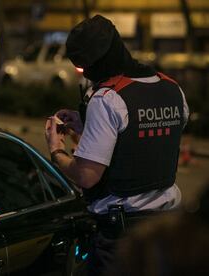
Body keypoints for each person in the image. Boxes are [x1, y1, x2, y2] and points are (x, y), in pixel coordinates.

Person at [44, 15, 189, 276]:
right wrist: (89, 127)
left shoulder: (108, 97)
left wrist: (56, 150)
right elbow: (143, 138)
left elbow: (87, 176)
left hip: (123, 239)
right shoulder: (172, 89)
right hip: (168, 231)